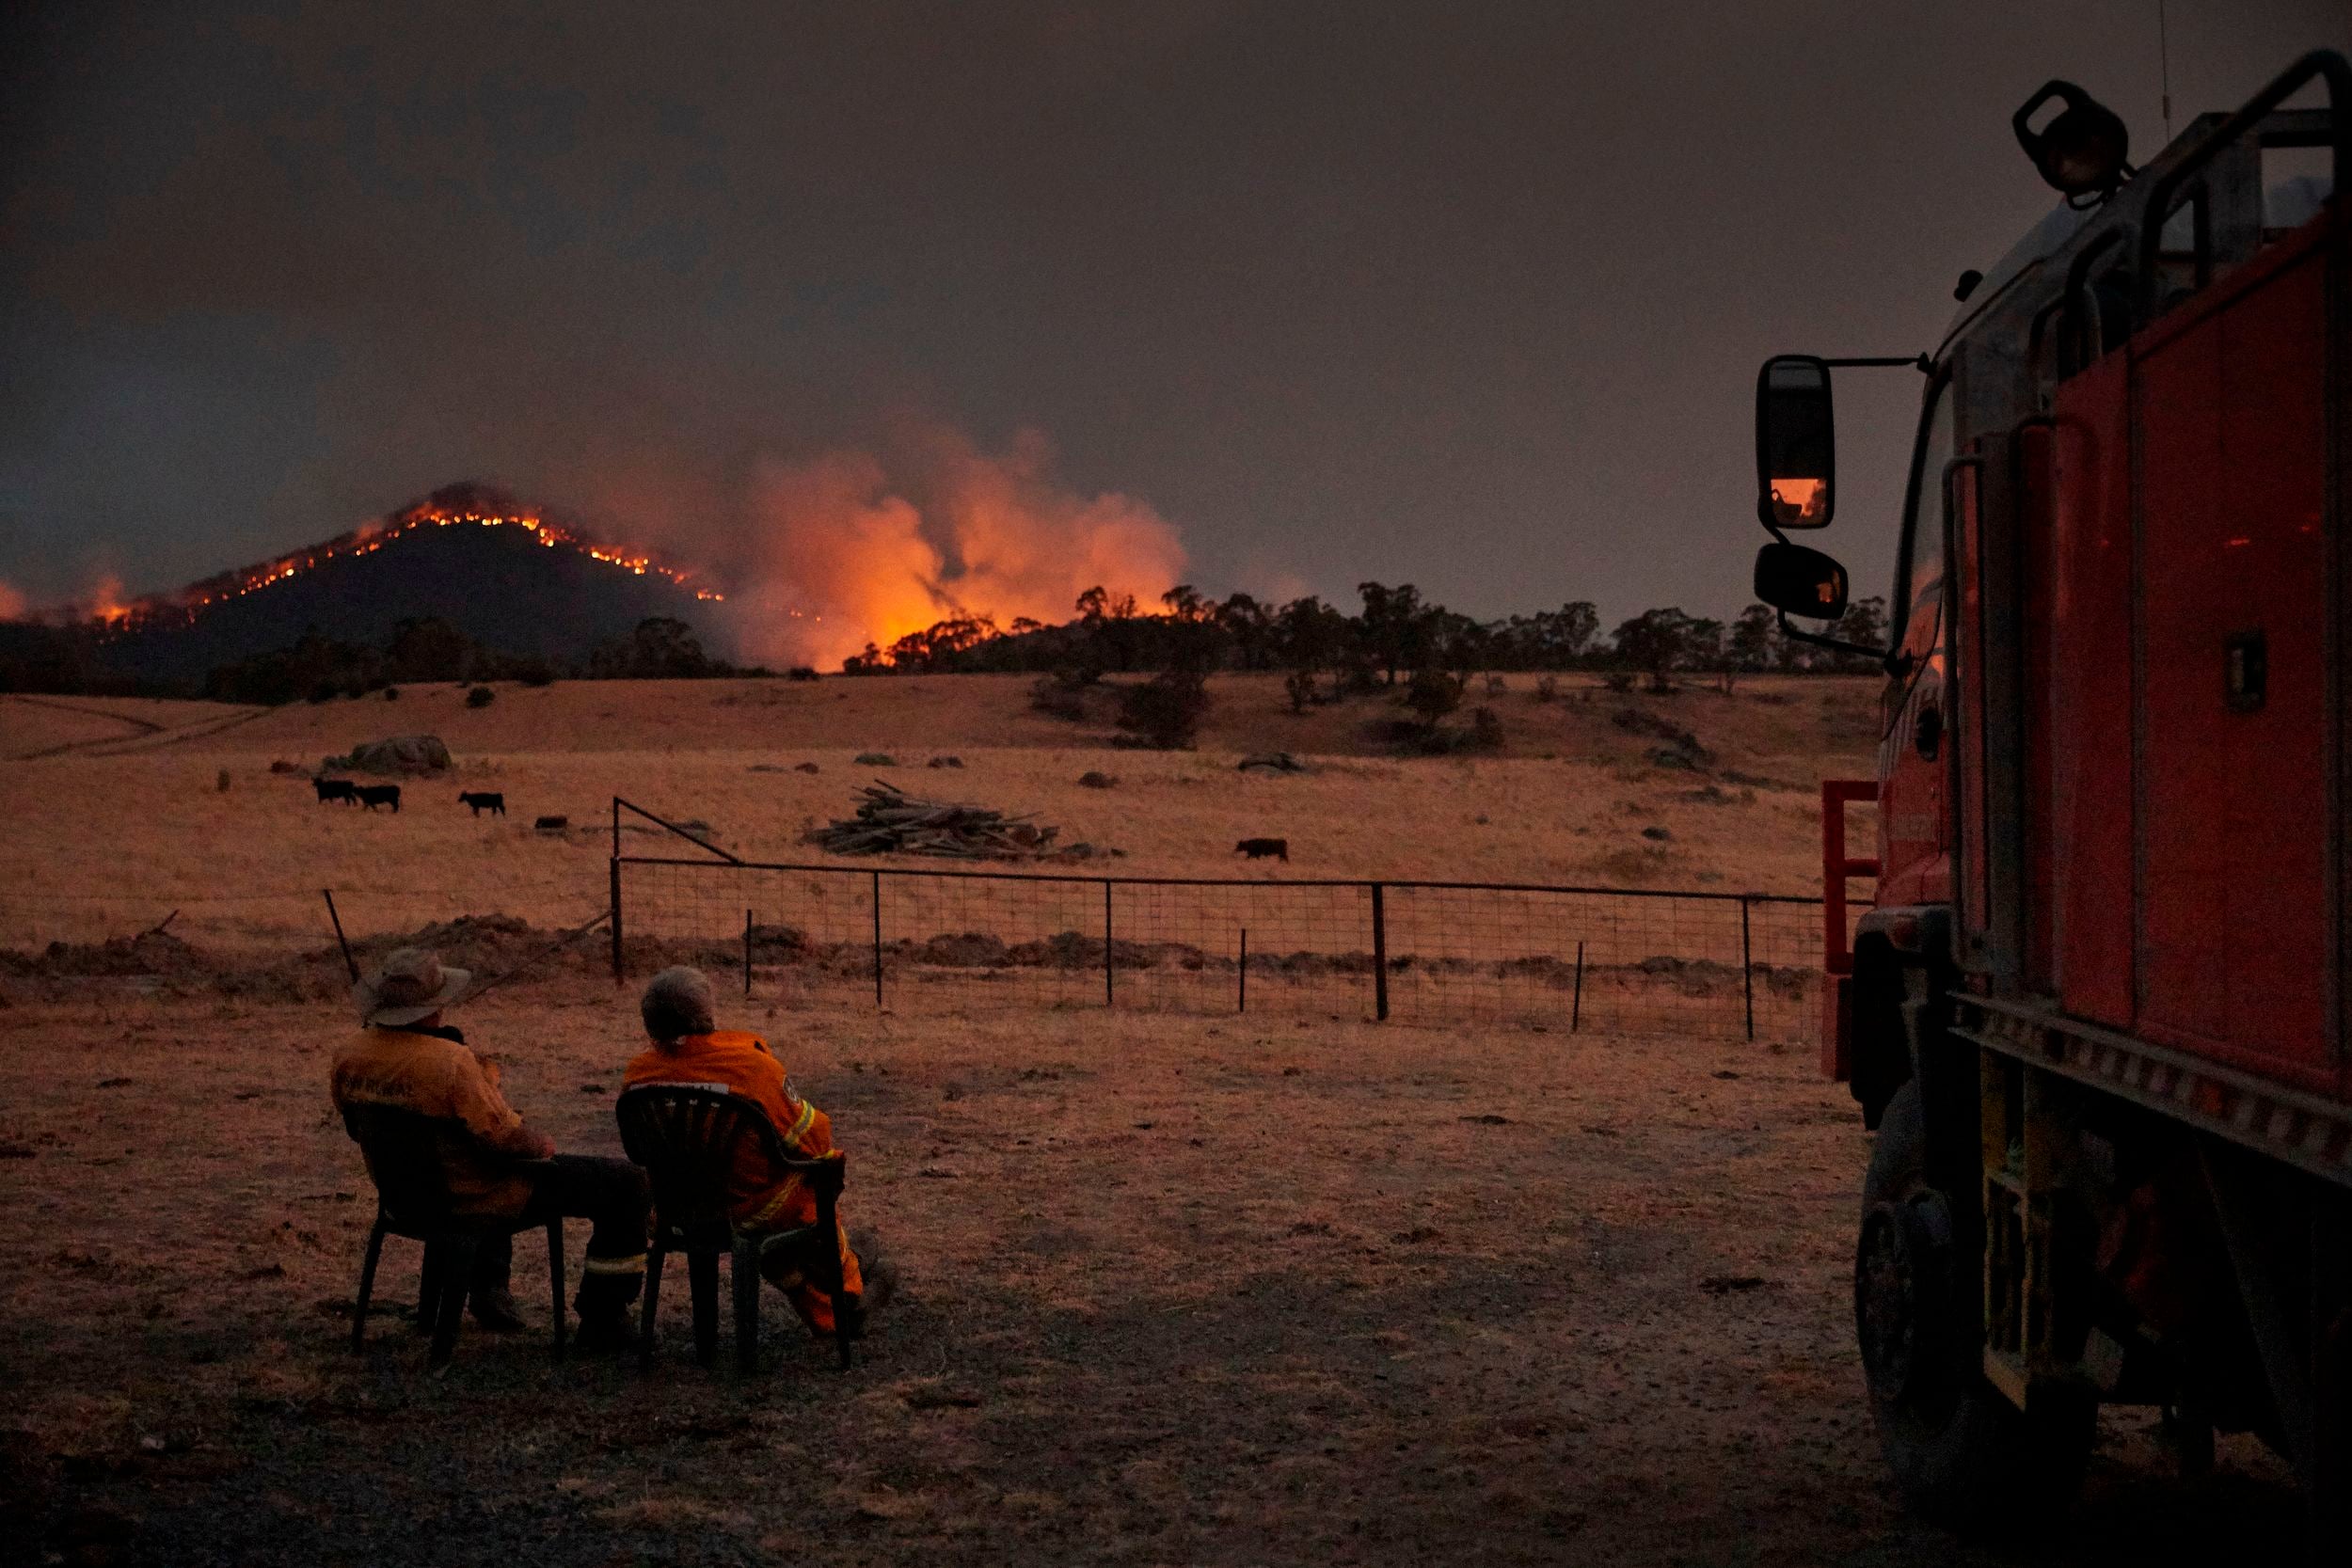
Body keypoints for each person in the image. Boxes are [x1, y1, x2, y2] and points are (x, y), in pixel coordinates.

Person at [330, 946, 651, 1350]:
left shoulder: (349, 1054)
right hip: (467, 1198)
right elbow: (502, 1140)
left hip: (402, 1198)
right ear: (437, 1004)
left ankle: (486, 1287)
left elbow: (354, 1130)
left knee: (474, 1160)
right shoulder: (451, 1063)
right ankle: (604, 1316)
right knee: (626, 1183)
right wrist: (541, 1144)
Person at [622, 966, 891, 1338]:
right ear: (708, 1016)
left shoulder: (637, 1075)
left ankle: (822, 1293)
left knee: (788, 1225)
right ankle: (847, 1284)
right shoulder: (752, 1069)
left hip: (675, 1210)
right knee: (820, 1174)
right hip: (754, 1209)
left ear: (649, 1025)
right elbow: (812, 1137)